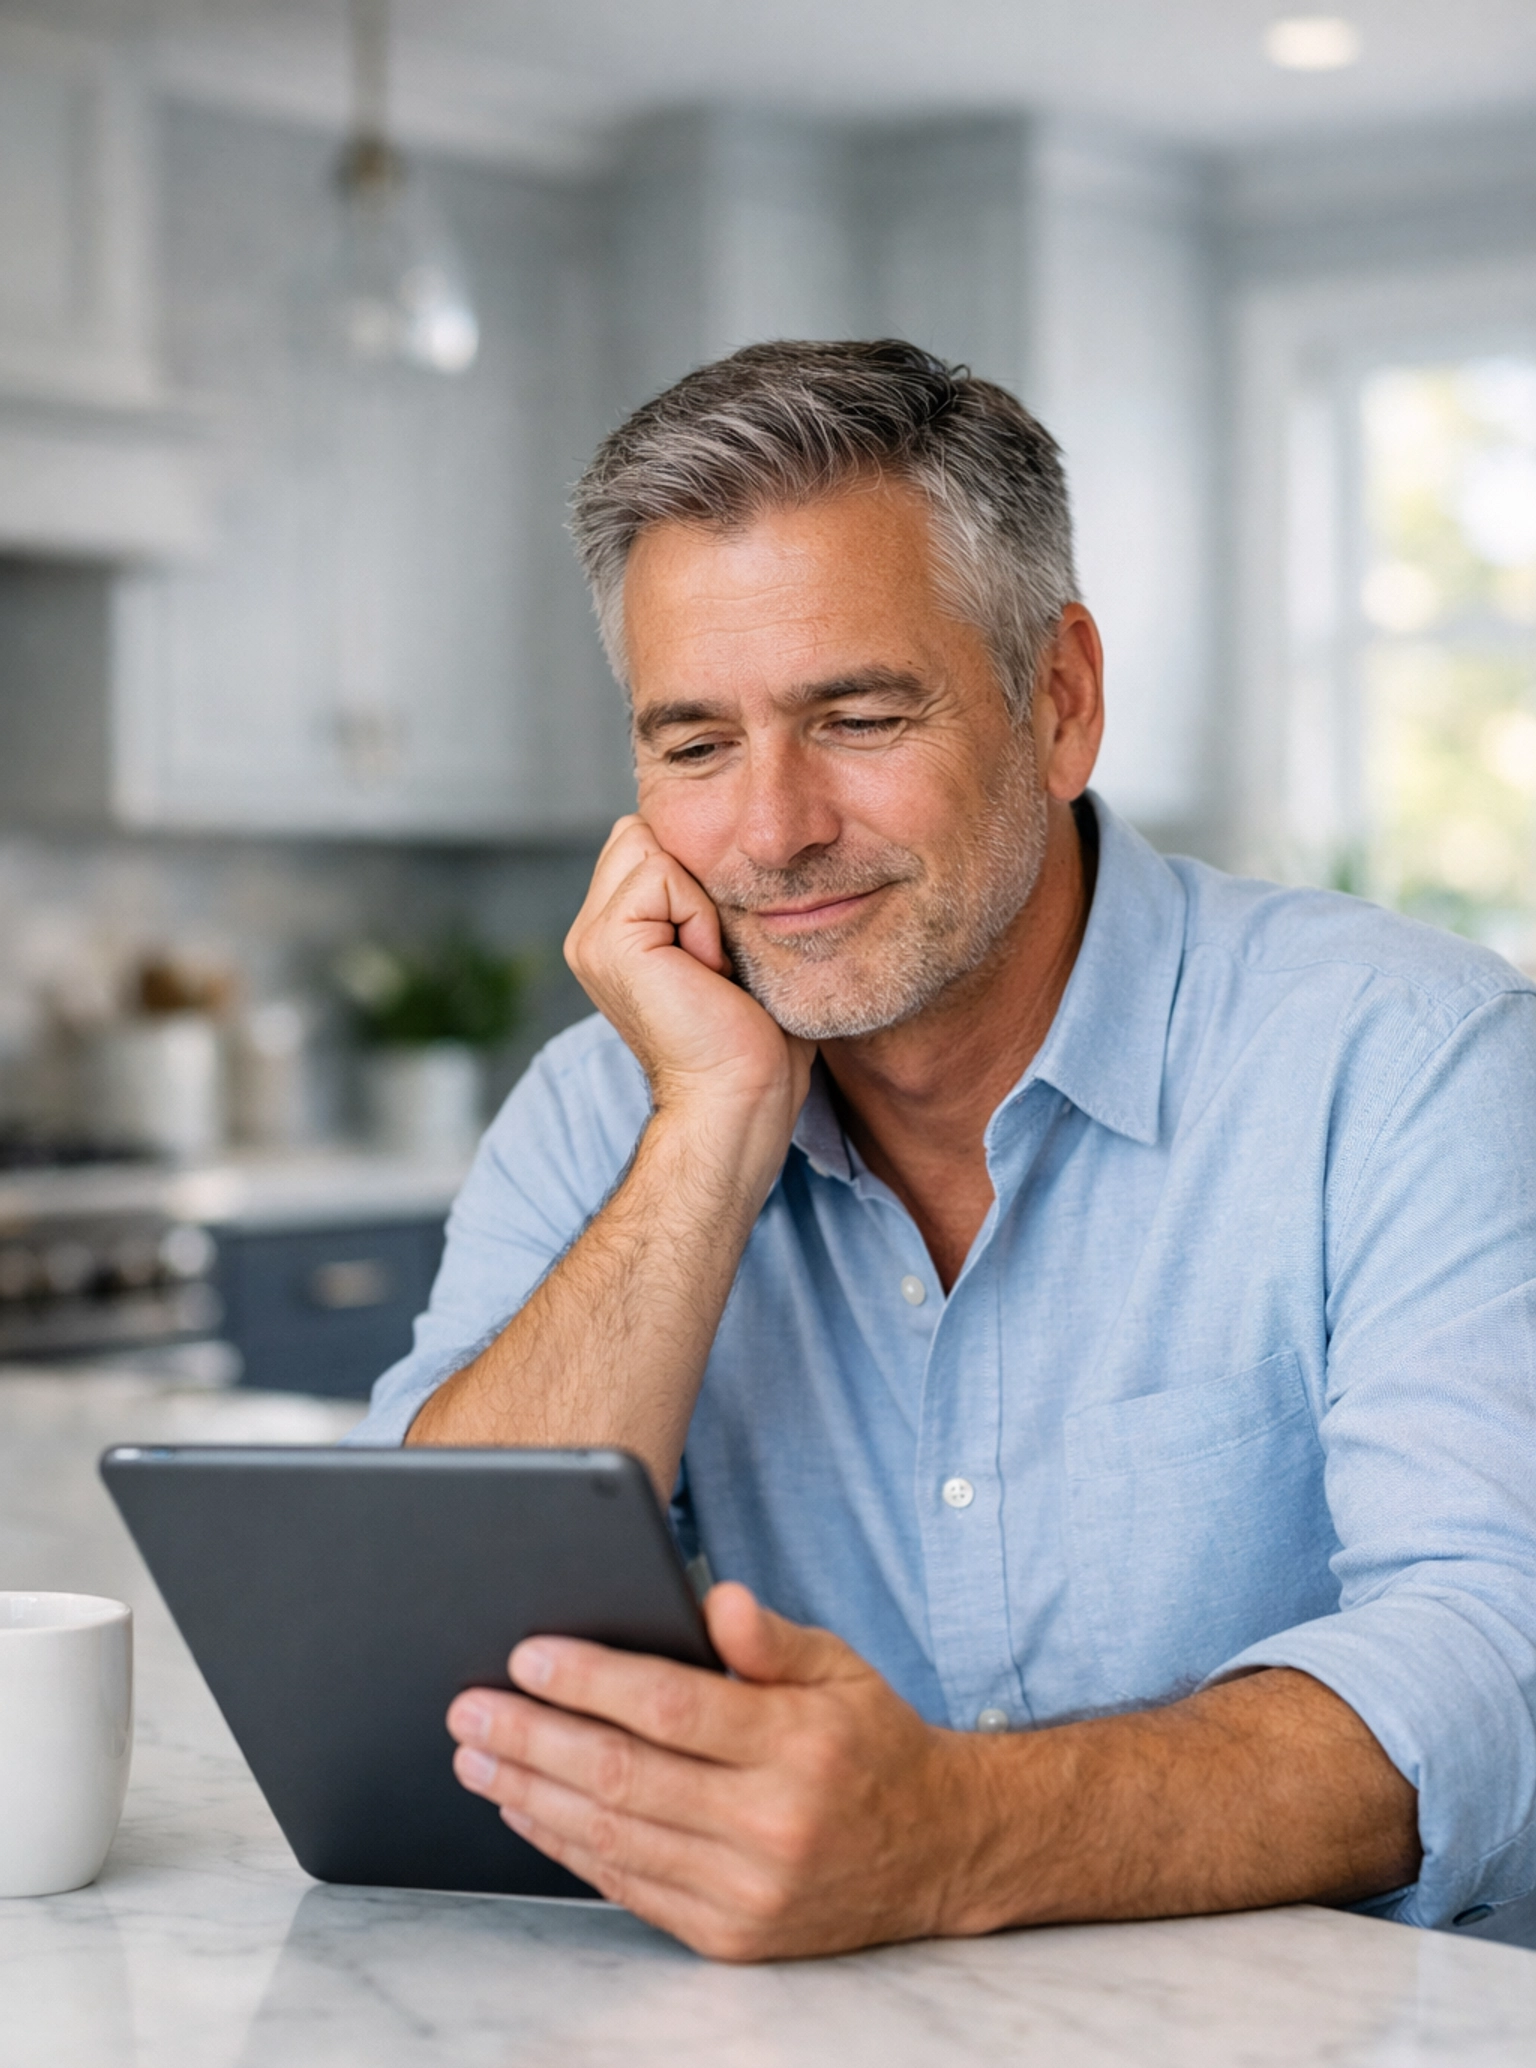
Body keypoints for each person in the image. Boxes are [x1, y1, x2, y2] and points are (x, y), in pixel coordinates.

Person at [353, 339, 1536, 1962]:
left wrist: (954, 1835)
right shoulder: (609, 1101)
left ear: (1059, 702)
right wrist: (710, 1132)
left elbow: (1496, 1650)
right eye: (695, 745)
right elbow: (434, 1649)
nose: (771, 833)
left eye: (855, 715)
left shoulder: (1405, 1058)